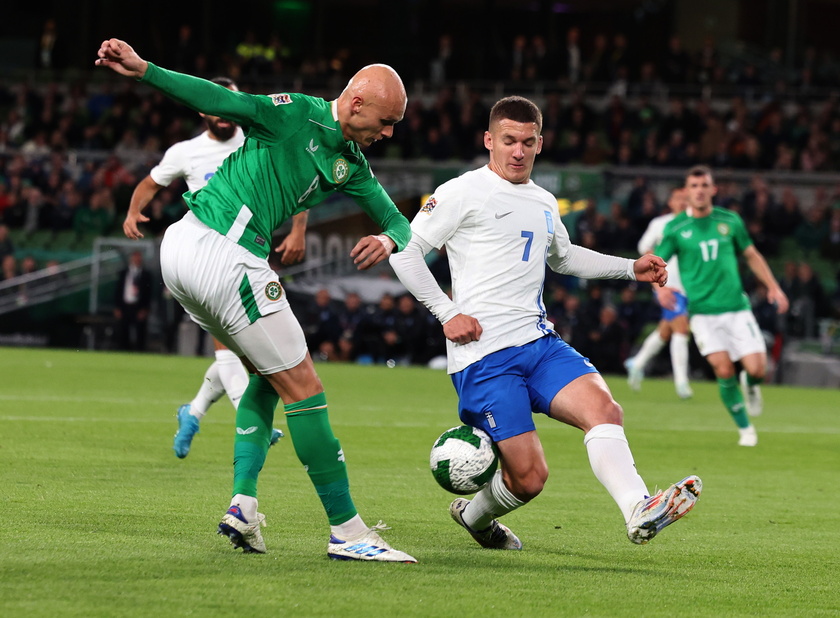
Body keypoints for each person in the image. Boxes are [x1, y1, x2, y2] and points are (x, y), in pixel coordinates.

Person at [96, 38, 415, 562]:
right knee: (305, 387)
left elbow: (398, 221)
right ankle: (349, 532)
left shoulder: (352, 164)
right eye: (386, 121)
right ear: (356, 103)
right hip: (224, 250)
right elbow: (224, 102)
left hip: (185, 251)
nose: (389, 133)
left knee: (269, 375)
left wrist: (387, 238)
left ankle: (242, 507)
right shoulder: (295, 115)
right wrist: (145, 70)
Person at [390, 96, 701, 551]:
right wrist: (447, 311)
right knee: (530, 479)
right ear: (488, 141)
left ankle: (638, 508)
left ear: (540, 143)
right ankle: (475, 516)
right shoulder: (461, 191)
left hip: (539, 343)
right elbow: (406, 252)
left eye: (528, 142)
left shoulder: (542, 200)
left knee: (605, 410)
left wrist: (630, 268)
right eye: (508, 141)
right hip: (484, 357)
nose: (518, 151)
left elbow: (565, 256)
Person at [123, 75, 295, 459]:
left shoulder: (257, 136)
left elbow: (294, 179)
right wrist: (134, 210)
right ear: (204, 108)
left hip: (252, 252)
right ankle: (252, 423)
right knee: (233, 350)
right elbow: (151, 183)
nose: (224, 112)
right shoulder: (186, 152)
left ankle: (194, 410)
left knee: (240, 348)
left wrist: (298, 230)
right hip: (207, 257)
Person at [655, 165, 789, 447]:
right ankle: (746, 430)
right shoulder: (676, 228)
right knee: (724, 369)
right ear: (687, 192)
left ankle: (752, 388)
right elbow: (655, 261)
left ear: (713, 190)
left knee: (756, 370)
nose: (700, 190)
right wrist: (659, 289)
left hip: (737, 309)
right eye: (694, 186)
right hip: (702, 314)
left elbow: (751, 255)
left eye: (704, 185)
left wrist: (774, 287)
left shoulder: (730, 221)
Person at [625, 187, 694, 399]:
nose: (682, 202)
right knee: (681, 329)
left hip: (691, 285)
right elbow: (644, 248)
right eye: (678, 199)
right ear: (670, 202)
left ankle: (637, 363)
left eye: (685, 199)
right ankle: (682, 382)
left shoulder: (696, 224)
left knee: (666, 331)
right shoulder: (660, 224)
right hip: (667, 285)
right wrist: (656, 270)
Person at [113, 249, 152, 351]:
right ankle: (123, 351)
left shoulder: (146, 275)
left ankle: (140, 352)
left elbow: (148, 293)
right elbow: (118, 290)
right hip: (125, 305)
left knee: (140, 331)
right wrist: (117, 307)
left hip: (138, 306)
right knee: (123, 330)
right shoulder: (124, 273)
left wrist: (145, 308)